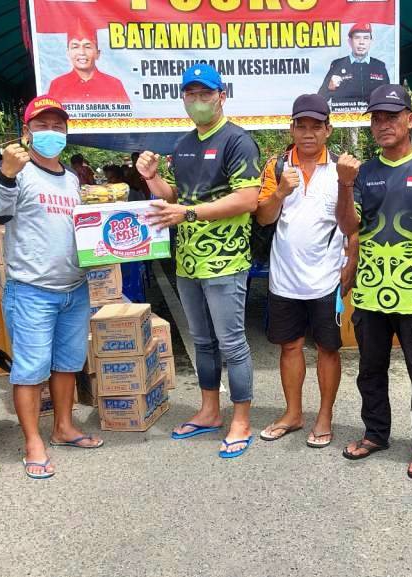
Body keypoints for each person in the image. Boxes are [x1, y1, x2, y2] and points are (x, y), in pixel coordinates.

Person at [137, 64, 262, 459]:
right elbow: (176, 196)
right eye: (190, 94)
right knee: (203, 341)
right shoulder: (184, 144)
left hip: (226, 261)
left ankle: (240, 418)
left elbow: (248, 199)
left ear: (221, 95)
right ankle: (209, 410)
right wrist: (153, 179)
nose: (197, 101)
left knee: (232, 343)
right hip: (189, 262)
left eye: (204, 93)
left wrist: (189, 214)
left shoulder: (238, 141)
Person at [334, 84, 412, 480]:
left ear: (410, 119)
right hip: (370, 291)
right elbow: (348, 226)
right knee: (370, 369)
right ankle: (376, 433)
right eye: (376, 118)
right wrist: (345, 183)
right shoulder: (364, 172)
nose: (383, 124)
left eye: (391, 116)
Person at [0, 95, 103, 480]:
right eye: (42, 126)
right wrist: (5, 172)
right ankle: (34, 442)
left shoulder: (71, 179)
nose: (51, 132)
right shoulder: (14, 173)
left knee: (67, 364)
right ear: (27, 132)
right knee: (30, 370)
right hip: (32, 289)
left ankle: (64, 427)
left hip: (75, 287)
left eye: (57, 126)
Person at [254, 94, 358, 449]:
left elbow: (351, 225)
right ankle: (293, 413)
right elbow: (264, 217)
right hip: (285, 278)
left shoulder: (343, 169)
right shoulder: (276, 166)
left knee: (329, 348)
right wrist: (281, 190)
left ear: (328, 129)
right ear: (292, 128)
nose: (309, 133)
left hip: (326, 278)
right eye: (302, 125)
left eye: (317, 126)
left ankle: (324, 416)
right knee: (290, 346)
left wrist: (351, 263)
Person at [47, 24, 129, 104]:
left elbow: (129, 116)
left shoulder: (114, 85)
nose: (82, 52)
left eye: (87, 47)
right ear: (68, 53)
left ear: (98, 53)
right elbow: (51, 116)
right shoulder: (58, 85)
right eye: (75, 47)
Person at [317, 23, 390, 112]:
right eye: (357, 38)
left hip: (372, 120)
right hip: (344, 122)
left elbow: (388, 98)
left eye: (366, 38)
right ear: (350, 41)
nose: (361, 42)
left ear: (371, 41)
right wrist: (329, 88)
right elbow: (320, 99)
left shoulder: (379, 66)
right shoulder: (337, 65)